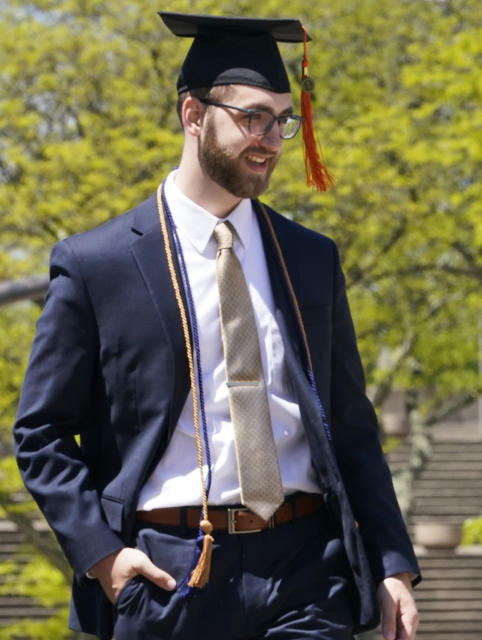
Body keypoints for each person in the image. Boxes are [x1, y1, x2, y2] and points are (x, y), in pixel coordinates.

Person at [13, 12, 419, 640]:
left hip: (306, 570)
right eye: (252, 117)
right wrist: (103, 556)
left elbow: (351, 421)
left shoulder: (309, 257)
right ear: (194, 115)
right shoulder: (100, 264)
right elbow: (39, 434)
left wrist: (392, 563)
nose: (273, 139)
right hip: (171, 573)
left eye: (283, 120)